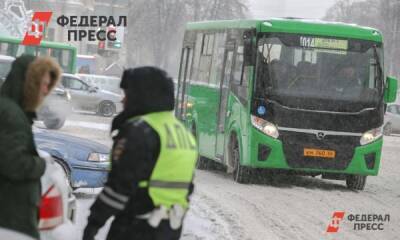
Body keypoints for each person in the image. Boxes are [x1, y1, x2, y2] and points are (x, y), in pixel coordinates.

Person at [83, 67, 198, 240]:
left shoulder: (140, 131)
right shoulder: (182, 133)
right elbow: (187, 188)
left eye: (128, 94)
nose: (123, 100)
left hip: (136, 228)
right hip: (170, 228)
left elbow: (119, 186)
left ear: (142, 96)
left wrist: (93, 224)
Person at [0, 55, 62, 239]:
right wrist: (41, 164)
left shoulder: (13, 110)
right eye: (43, 83)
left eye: (49, 84)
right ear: (28, 82)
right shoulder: (11, 114)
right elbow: (15, 164)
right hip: (11, 217)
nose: (45, 89)